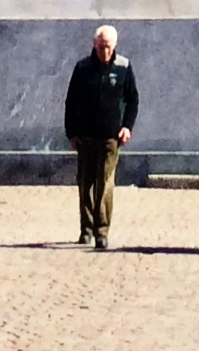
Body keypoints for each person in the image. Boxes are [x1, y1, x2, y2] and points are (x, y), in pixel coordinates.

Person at [64, 23, 138, 251]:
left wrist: (127, 126)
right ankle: (85, 228)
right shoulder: (83, 68)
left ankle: (101, 231)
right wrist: (71, 132)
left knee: (105, 184)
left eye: (108, 47)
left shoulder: (124, 67)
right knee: (85, 184)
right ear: (94, 45)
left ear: (114, 46)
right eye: (100, 46)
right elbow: (71, 101)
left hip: (110, 136)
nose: (104, 51)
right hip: (85, 136)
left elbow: (133, 100)